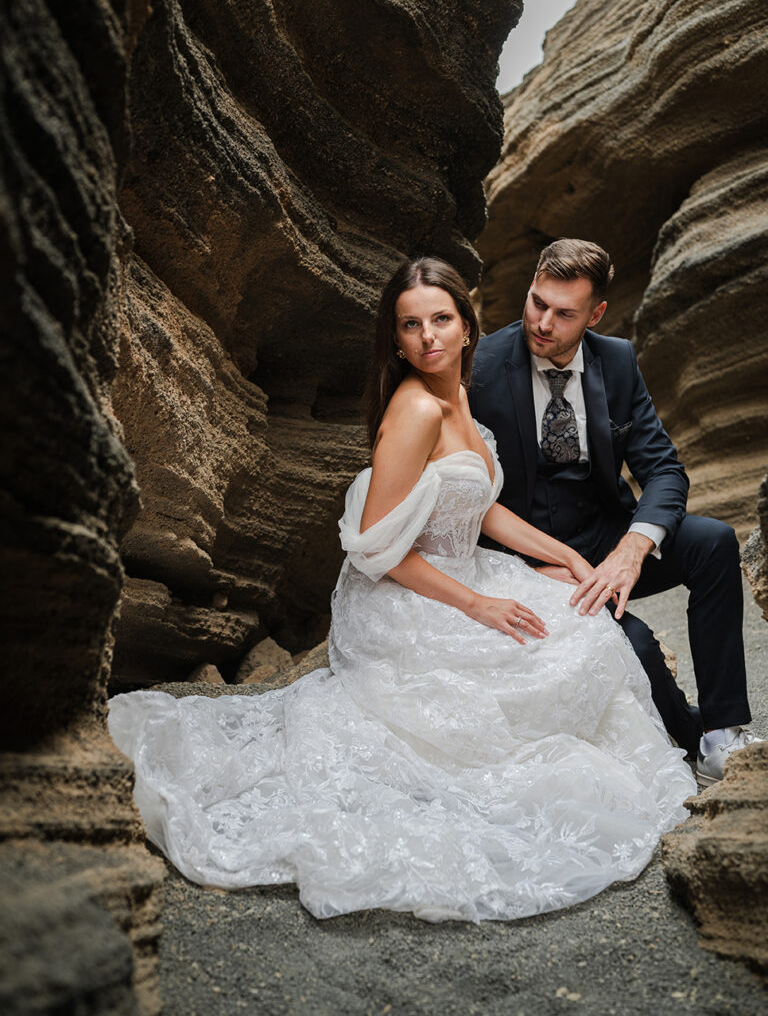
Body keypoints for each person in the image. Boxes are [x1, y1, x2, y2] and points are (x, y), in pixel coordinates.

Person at [108, 256, 696, 924]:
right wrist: (477, 605)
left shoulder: (459, 392)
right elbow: (378, 551)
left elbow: (482, 503)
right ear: (396, 338)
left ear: (467, 325)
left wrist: (563, 556)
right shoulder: (413, 409)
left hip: (465, 568)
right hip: (408, 597)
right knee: (539, 659)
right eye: (410, 326)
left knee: (579, 622)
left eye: (440, 319)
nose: (428, 338)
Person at [468, 238, 760, 784]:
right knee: (638, 641)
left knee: (715, 542)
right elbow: (467, 499)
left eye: (564, 313)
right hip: (527, 560)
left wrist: (634, 547)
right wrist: (532, 570)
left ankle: (724, 731)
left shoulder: (618, 361)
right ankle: (692, 739)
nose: (543, 323)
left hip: (607, 539)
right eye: (537, 302)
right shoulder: (479, 368)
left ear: (596, 313)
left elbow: (665, 471)